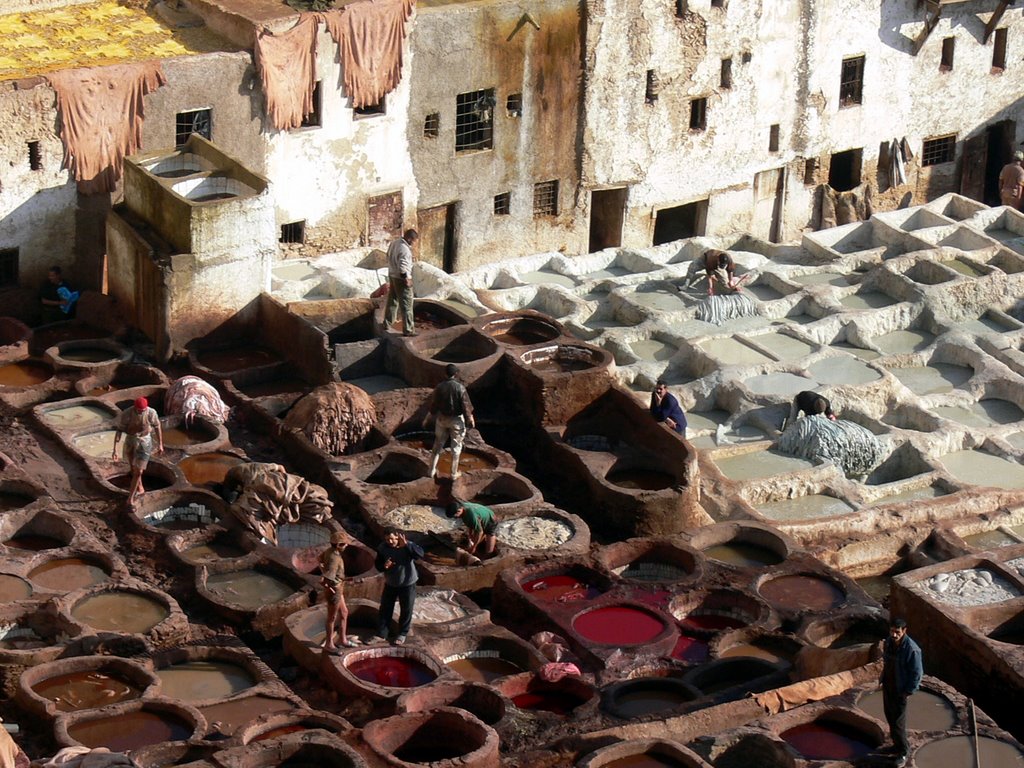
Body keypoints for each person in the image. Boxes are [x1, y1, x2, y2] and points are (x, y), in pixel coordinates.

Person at [880, 618, 923, 766]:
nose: (894, 635)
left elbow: (917, 673)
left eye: (897, 632)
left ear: (904, 631)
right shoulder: (889, 642)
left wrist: (908, 691)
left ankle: (904, 752)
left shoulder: (912, 649)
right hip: (888, 685)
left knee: (898, 723)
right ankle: (896, 746)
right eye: (892, 631)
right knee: (889, 716)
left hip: (900, 690)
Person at [424, 363, 476, 480]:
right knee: (456, 447)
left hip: (442, 419)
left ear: (445, 374)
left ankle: (431, 471)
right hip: (456, 421)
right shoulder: (460, 388)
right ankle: (453, 474)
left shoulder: (439, 387)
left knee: (437, 445)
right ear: (456, 374)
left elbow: (434, 406)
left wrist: (427, 419)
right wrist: (470, 419)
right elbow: (466, 407)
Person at [374, 529, 424, 646]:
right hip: (391, 583)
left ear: (398, 537)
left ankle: (402, 633)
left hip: (408, 583)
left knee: (406, 609)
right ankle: (382, 634)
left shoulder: (408, 545)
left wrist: (406, 545)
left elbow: (420, 555)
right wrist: (384, 566)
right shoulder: (383, 548)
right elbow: (378, 565)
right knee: (385, 609)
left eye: (393, 539)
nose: (390, 541)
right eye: (387, 539)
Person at [111, 397, 163, 504]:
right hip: (131, 440)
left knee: (139, 471)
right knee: (133, 468)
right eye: (139, 410)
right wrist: (115, 449)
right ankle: (139, 486)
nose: (141, 412)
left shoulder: (151, 413)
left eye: (143, 410)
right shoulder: (127, 413)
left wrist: (160, 444)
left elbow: (157, 427)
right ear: (135, 408)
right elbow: (120, 430)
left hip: (145, 441)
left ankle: (130, 498)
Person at [319, 530, 359, 651]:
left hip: (338, 586)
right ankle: (329, 644)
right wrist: (331, 588)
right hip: (335, 590)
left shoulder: (329, 551)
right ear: (338, 545)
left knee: (344, 612)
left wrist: (340, 579)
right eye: (345, 544)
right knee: (332, 618)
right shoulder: (334, 558)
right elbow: (325, 580)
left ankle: (342, 639)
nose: (346, 546)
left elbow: (319, 559)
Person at [384, 228, 419, 337]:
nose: (414, 244)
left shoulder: (395, 243)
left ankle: (387, 323)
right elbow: (403, 267)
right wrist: (406, 279)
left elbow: (388, 255)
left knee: (392, 301)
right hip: (401, 278)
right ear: (409, 239)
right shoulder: (404, 249)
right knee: (407, 305)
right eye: (414, 241)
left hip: (392, 275)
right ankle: (408, 330)